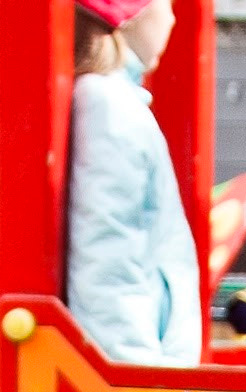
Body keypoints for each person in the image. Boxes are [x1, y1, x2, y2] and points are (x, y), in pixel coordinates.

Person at [65, 0, 204, 367]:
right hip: (137, 374)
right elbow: (107, 256)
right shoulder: (108, 106)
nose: (173, 16)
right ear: (131, 13)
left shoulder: (114, 102)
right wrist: (136, 380)